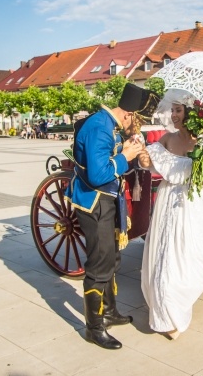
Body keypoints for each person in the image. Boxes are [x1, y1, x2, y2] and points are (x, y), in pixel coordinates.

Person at [64, 83, 160, 350]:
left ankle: (109, 311)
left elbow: (109, 163)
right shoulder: (99, 127)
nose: (138, 126)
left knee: (112, 257)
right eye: (138, 120)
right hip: (94, 203)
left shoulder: (109, 125)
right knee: (99, 264)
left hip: (108, 201)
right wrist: (125, 156)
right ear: (128, 113)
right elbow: (97, 175)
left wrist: (130, 153)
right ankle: (94, 328)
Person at [138, 89, 203, 340]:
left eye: (178, 110)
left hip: (195, 204)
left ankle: (179, 303)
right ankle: (167, 314)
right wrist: (136, 143)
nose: (174, 115)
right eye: (172, 109)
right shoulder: (167, 139)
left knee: (189, 255)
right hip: (169, 201)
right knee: (165, 256)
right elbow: (147, 162)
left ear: (191, 113)